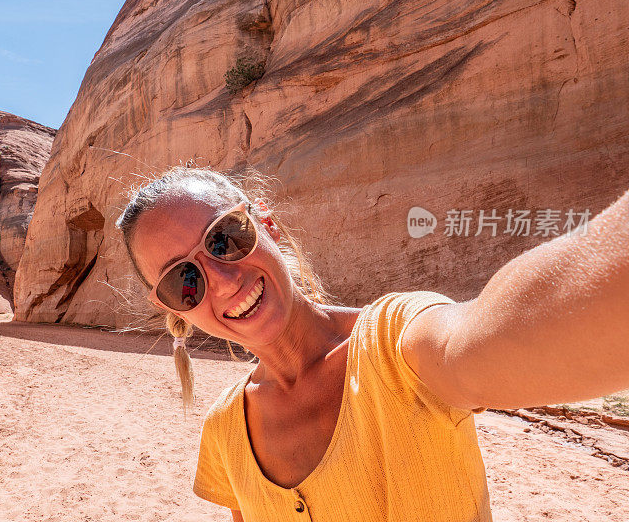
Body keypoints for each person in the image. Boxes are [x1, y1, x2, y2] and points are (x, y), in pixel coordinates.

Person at [115, 165, 629, 521]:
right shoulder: (225, 431)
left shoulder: (396, 344)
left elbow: (495, 335)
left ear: (265, 222)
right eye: (184, 280)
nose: (223, 281)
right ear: (170, 309)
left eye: (224, 238)